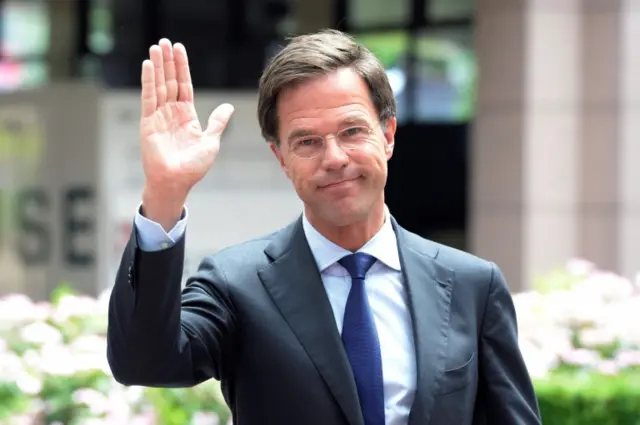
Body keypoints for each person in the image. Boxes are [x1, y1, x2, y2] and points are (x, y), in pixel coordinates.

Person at [106, 29, 542, 425]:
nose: (334, 158)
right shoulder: (237, 284)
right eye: (308, 141)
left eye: (352, 131)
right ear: (281, 158)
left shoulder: (471, 285)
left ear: (387, 135)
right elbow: (144, 363)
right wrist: (165, 191)